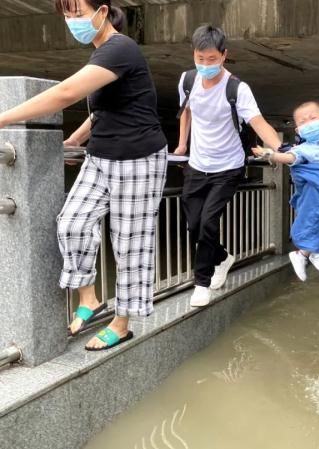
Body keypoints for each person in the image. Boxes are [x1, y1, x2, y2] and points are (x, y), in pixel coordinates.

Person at [0, 0, 168, 351]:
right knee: (72, 223)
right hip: (100, 157)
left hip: (138, 159)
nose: (72, 21)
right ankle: (89, 299)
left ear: (102, 12)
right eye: (67, 14)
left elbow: (65, 94)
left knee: (129, 243)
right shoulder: (101, 55)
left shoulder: (121, 48)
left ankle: (122, 322)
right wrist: (71, 143)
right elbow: (103, 112)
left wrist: (2, 118)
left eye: (77, 13)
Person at [173, 25, 282, 307]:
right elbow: (186, 112)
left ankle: (202, 282)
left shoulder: (237, 89)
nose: (205, 65)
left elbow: (259, 123)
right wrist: (182, 144)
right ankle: (222, 257)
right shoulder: (187, 80)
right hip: (197, 164)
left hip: (228, 167)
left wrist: (281, 150)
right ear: (194, 55)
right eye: (200, 59)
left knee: (208, 221)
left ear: (224, 55)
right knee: (194, 224)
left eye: (211, 59)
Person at [252, 101, 319, 281]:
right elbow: (289, 157)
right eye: (302, 122)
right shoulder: (303, 149)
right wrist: (270, 155)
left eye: (312, 119)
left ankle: (306, 253)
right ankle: (311, 252)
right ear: (297, 131)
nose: (308, 124)